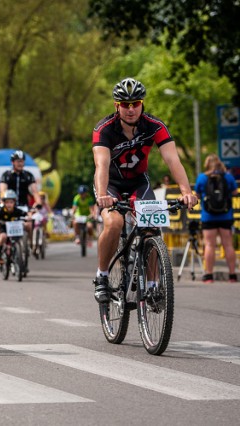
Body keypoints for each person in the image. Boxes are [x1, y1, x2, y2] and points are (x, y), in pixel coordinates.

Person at [92, 77, 198, 303]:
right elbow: (101, 164)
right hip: (110, 184)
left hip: (138, 182)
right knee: (114, 223)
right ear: (116, 106)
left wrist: (186, 191)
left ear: (142, 104)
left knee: (151, 226)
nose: (131, 110)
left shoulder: (155, 126)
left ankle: (151, 286)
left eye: (135, 103)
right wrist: (102, 195)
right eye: (125, 104)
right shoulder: (104, 129)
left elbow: (173, 160)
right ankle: (101, 277)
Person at [194, 154, 238, 283]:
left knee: (209, 245)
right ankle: (232, 275)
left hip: (208, 216)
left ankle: (209, 275)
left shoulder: (202, 178)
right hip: (226, 215)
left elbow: (196, 194)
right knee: (228, 245)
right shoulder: (228, 177)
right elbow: (235, 192)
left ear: (206, 164)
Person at [0, 150, 42, 241]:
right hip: (10, 206)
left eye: (22, 161)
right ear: (13, 162)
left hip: (23, 206)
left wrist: (38, 203)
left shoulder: (28, 176)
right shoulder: (6, 175)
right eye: (18, 161)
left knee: (28, 225)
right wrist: (2, 203)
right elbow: (3, 191)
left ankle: (30, 244)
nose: (20, 163)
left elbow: (35, 192)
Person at [0, 190, 27, 267]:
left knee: (20, 239)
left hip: (15, 230)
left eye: (11, 202)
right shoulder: (0, 210)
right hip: (4, 229)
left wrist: (28, 217)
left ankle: (19, 256)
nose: (9, 204)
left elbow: (26, 214)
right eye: (7, 202)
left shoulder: (17, 210)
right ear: (4, 203)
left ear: (14, 203)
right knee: (3, 237)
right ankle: (0, 254)